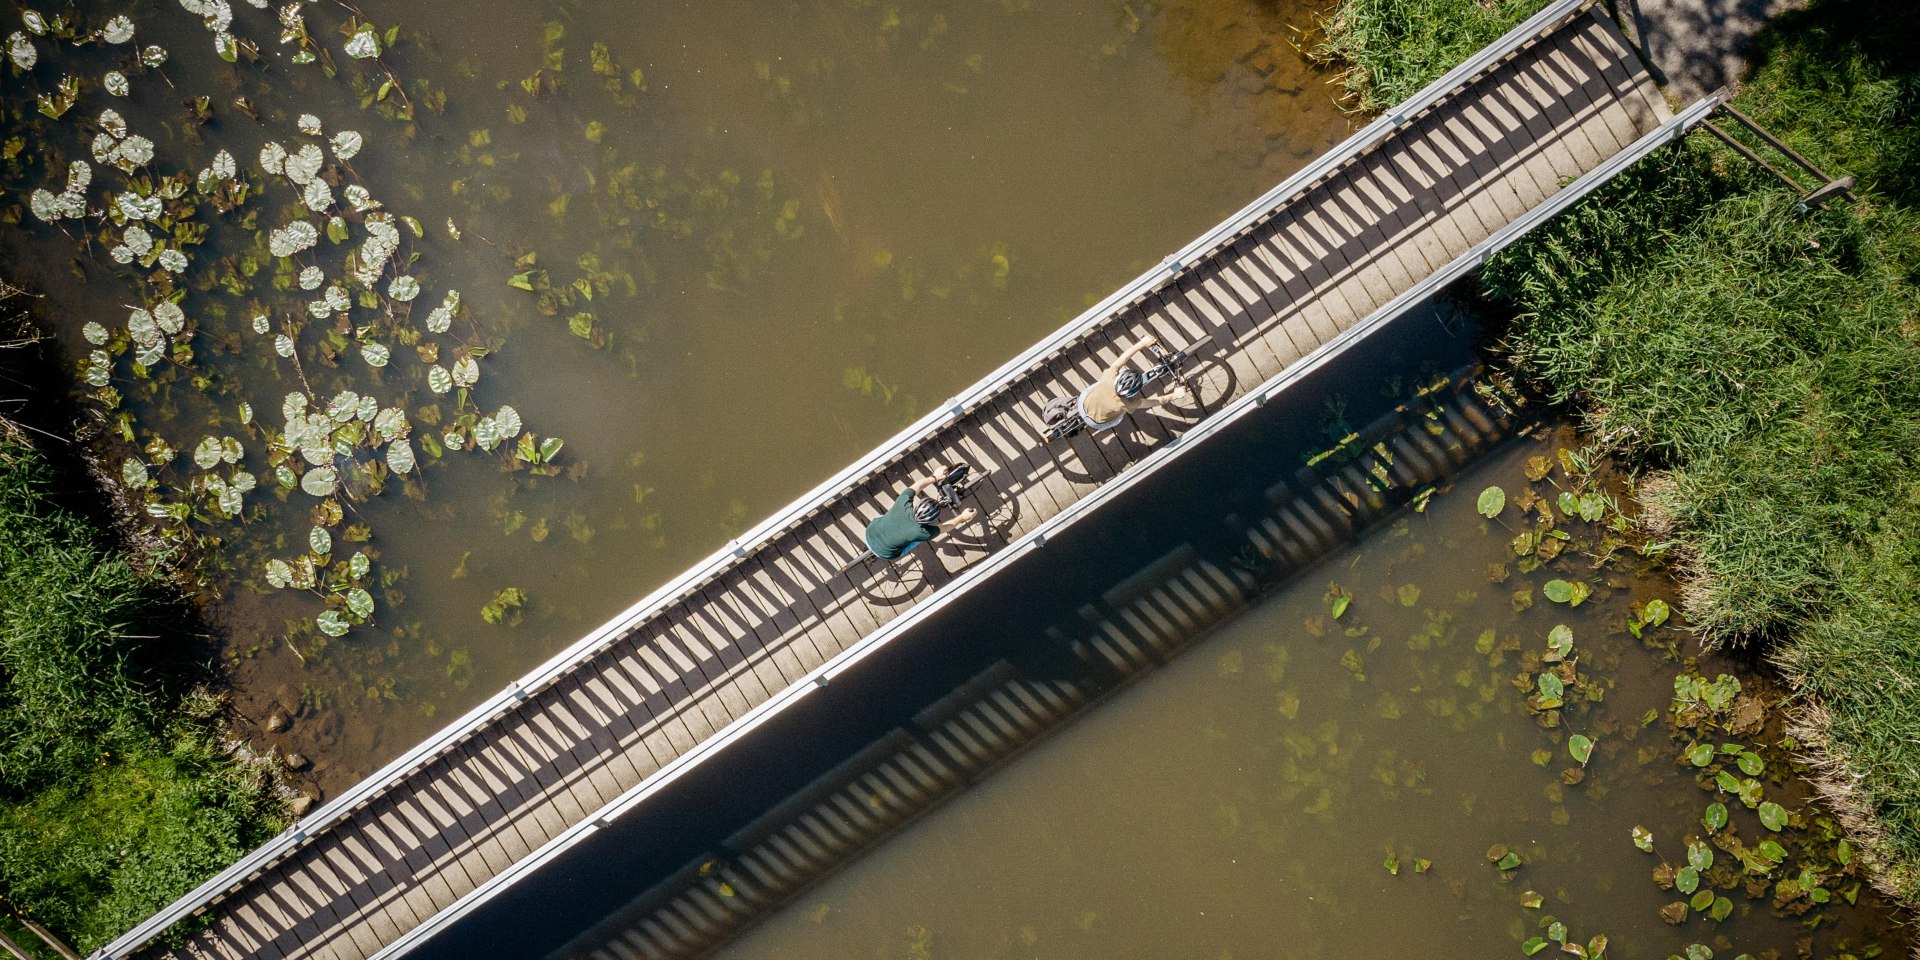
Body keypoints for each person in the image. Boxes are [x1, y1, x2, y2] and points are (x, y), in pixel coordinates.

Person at [1077, 334, 1194, 431]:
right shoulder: (1126, 404)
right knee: (1120, 415)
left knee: (1103, 383)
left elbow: (1122, 359)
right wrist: (1175, 395)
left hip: (1082, 403)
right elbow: (1154, 402)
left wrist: (1142, 344)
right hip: (1096, 423)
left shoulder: (1108, 377)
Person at [864, 468, 978, 560]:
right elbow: (946, 527)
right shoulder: (922, 533)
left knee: (885, 517)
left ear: (917, 506)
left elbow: (916, 486)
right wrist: (962, 517)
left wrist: (935, 477)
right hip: (885, 554)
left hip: (870, 531)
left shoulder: (902, 503)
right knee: (916, 541)